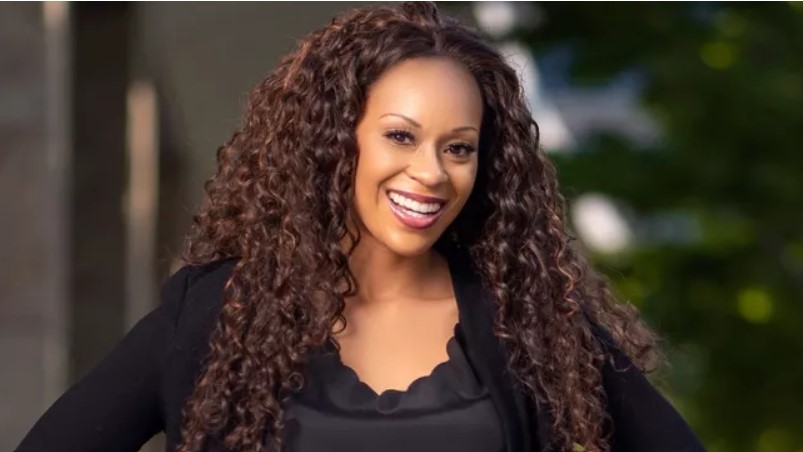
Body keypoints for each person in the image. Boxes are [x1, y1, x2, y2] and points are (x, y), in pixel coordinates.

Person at [16, 3, 706, 452]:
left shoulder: (529, 317)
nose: (431, 172)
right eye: (400, 136)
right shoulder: (216, 310)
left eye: (458, 148)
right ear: (334, 142)